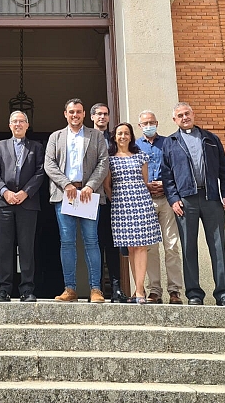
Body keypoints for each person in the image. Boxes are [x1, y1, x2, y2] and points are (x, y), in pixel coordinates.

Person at [161, 102, 225, 307]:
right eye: (180, 115)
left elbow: (224, 170)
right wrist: (173, 199)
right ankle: (194, 294)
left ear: (193, 115)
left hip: (212, 198)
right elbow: (167, 176)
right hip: (186, 201)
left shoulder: (211, 139)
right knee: (188, 247)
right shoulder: (170, 142)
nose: (184, 117)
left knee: (218, 246)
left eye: (187, 113)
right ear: (174, 120)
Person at [44, 98, 108, 303]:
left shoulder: (96, 135)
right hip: (66, 194)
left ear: (84, 114)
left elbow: (103, 163)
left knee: (91, 241)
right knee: (67, 242)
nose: (75, 115)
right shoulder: (56, 137)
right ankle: (69, 289)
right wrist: (66, 184)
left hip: (88, 193)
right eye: (71, 112)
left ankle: (95, 289)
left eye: (79, 112)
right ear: (65, 114)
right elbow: (49, 164)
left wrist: (90, 186)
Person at [0, 111, 44, 302]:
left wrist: (25, 192)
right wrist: (5, 191)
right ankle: (3, 289)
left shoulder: (36, 147)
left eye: (22, 121)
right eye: (14, 121)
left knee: (27, 248)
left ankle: (27, 289)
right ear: (9, 125)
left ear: (27, 125)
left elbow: (40, 172)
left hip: (27, 203)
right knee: (4, 248)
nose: (18, 124)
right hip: (3, 203)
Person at [103, 122, 161, 304]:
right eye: (120, 133)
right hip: (121, 205)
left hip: (141, 202)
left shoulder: (140, 156)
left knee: (141, 246)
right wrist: (117, 201)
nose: (123, 136)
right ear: (114, 136)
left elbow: (145, 181)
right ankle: (137, 289)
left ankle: (140, 291)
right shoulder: (110, 158)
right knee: (130, 248)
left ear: (131, 136)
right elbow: (107, 185)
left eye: (126, 133)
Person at [136, 110, 183, 305]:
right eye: (145, 123)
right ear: (139, 126)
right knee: (150, 249)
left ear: (157, 122)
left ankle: (175, 291)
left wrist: (166, 184)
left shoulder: (169, 142)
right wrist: (145, 184)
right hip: (145, 200)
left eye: (151, 122)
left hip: (167, 199)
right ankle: (154, 290)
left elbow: (177, 168)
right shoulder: (135, 146)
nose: (149, 125)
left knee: (171, 246)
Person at [90, 102, 128, 303]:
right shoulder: (87, 138)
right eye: (99, 114)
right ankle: (95, 288)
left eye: (105, 114)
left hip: (115, 199)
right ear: (92, 117)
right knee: (93, 243)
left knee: (113, 244)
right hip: (93, 198)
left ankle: (116, 288)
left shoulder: (115, 141)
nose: (103, 117)